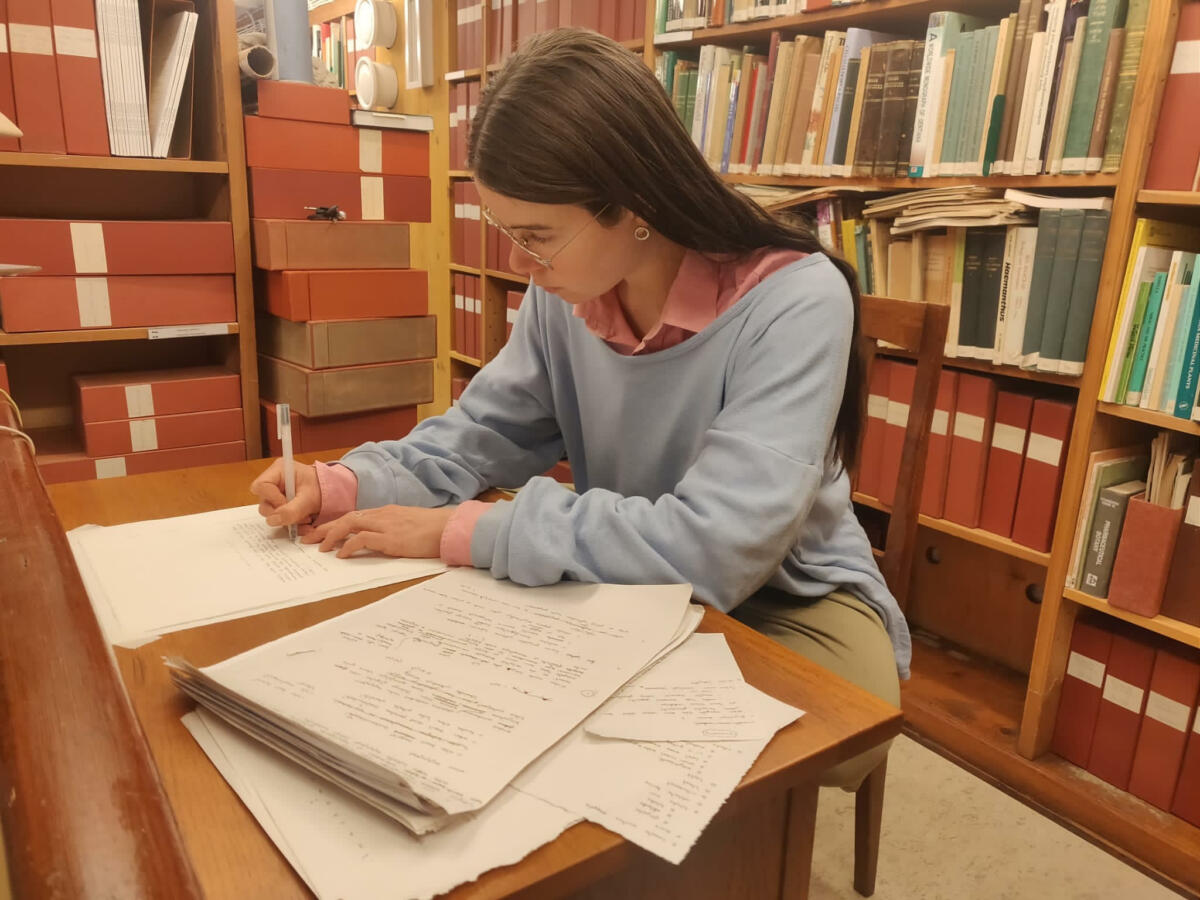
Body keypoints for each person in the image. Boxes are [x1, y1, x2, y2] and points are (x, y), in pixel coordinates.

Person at [251, 28, 908, 789]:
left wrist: (468, 529)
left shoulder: (795, 299)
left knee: (628, 752)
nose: (518, 263)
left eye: (536, 236)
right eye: (506, 232)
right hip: (630, 579)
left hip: (790, 602)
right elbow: (481, 434)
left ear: (633, 204)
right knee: (527, 724)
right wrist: (347, 483)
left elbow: (718, 550)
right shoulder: (564, 291)